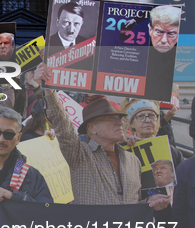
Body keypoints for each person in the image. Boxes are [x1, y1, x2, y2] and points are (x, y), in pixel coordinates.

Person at [36, 63, 169, 209]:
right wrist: (49, 90)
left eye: (120, 118)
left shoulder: (133, 161)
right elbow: (62, 123)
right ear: (92, 128)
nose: (120, 122)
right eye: (112, 118)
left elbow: (130, 206)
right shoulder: (80, 154)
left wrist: (147, 204)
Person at [122, 99, 183, 168]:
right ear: (132, 124)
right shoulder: (123, 151)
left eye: (151, 115)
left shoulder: (172, 151)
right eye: (141, 116)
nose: (148, 120)